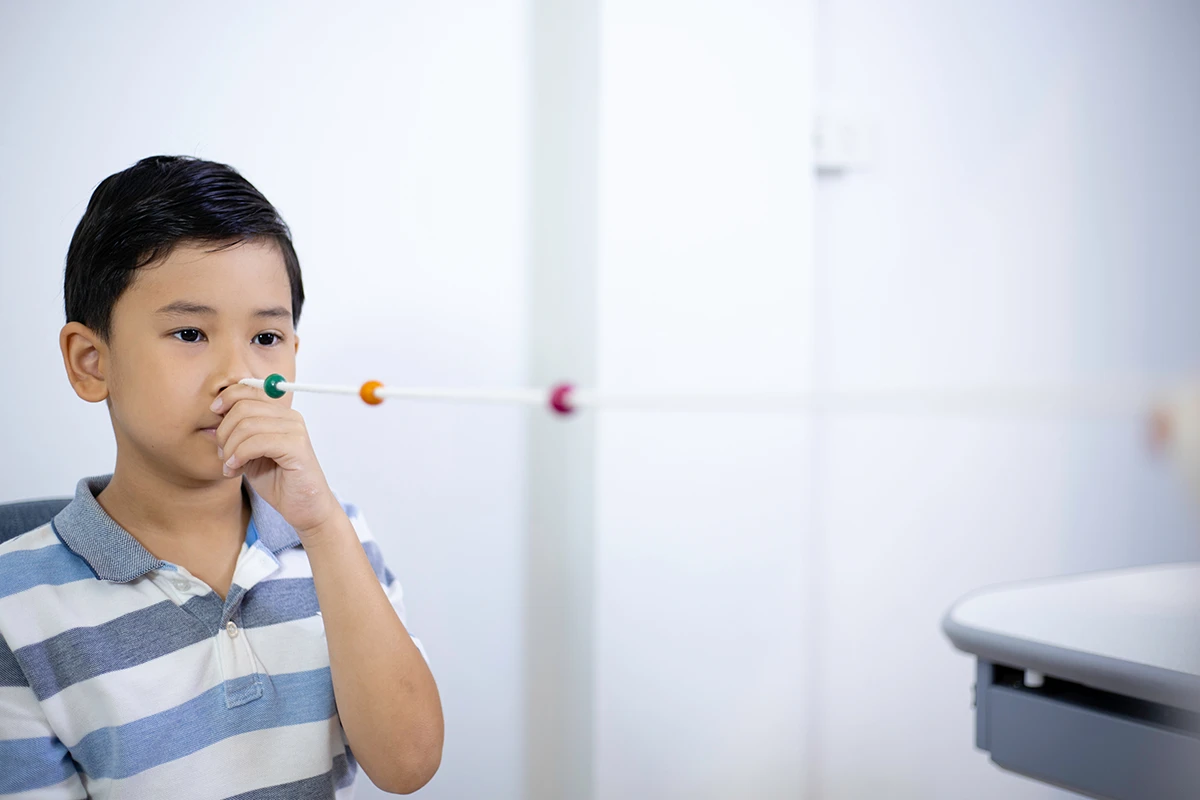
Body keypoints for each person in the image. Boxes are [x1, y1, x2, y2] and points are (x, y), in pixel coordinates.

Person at [0, 156, 443, 798]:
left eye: (267, 337)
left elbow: (409, 765)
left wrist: (321, 528)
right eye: (189, 332)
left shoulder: (336, 539)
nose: (238, 376)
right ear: (91, 362)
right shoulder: (17, 606)